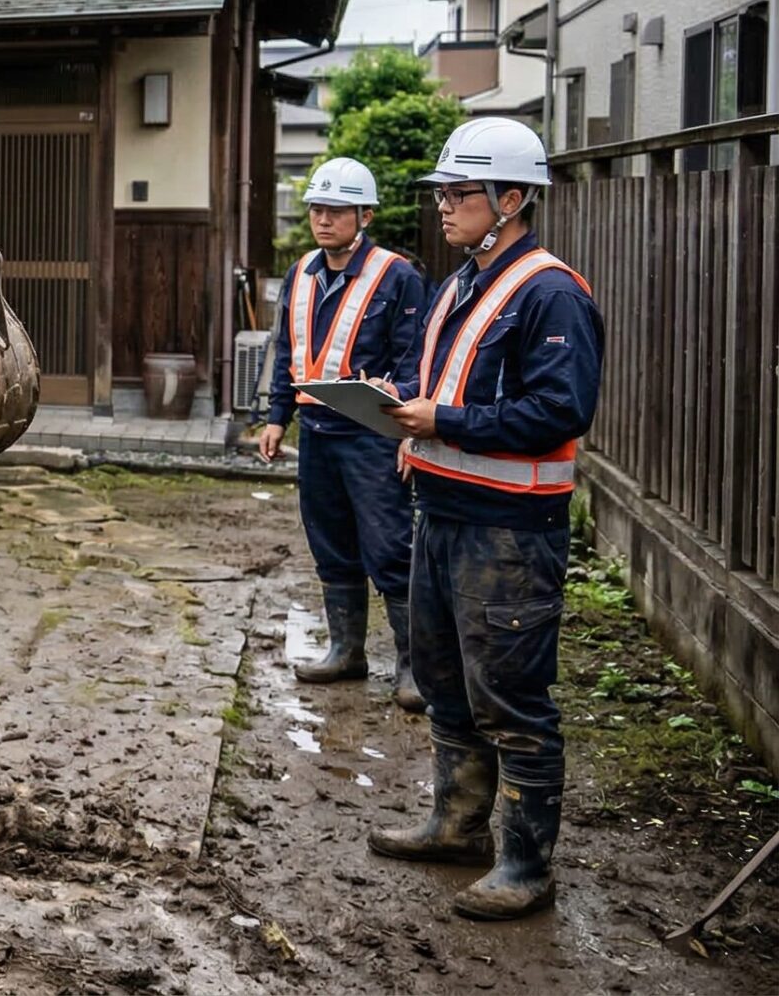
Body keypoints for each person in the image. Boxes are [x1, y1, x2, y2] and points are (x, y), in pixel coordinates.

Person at [369, 116, 603, 922]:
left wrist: (445, 422)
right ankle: (457, 823)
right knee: (444, 681)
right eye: (442, 192)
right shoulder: (464, 279)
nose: (443, 205)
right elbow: (444, 382)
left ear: (511, 199)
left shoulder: (550, 292)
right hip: (442, 511)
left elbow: (559, 409)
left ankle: (526, 863)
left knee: (512, 694)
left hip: (509, 529)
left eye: (459, 192)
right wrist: (410, 427)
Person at [256, 158, 427, 709]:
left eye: (336, 210)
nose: (324, 220)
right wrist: (277, 418)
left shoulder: (396, 276)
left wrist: (407, 429)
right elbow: (289, 353)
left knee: (389, 547)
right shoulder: (301, 272)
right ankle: (346, 650)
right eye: (317, 209)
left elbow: (414, 359)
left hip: (371, 433)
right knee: (330, 542)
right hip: (318, 434)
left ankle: (412, 668)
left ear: (365, 215)